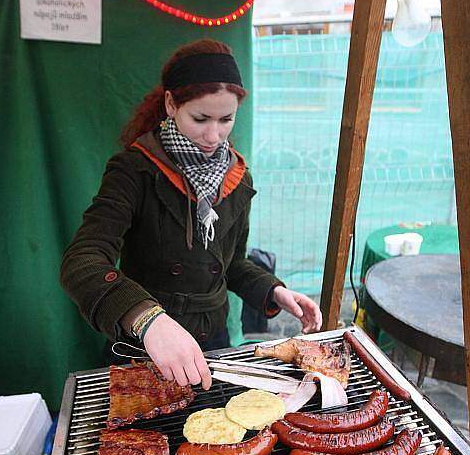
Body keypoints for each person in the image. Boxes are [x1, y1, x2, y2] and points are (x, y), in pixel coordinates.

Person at [60, 39, 322, 391]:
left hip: (212, 341)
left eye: (226, 119)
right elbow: (83, 261)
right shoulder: (135, 170)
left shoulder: (237, 178)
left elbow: (230, 264)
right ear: (171, 103)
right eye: (200, 118)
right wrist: (148, 319)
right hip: (146, 344)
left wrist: (273, 291)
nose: (213, 136)